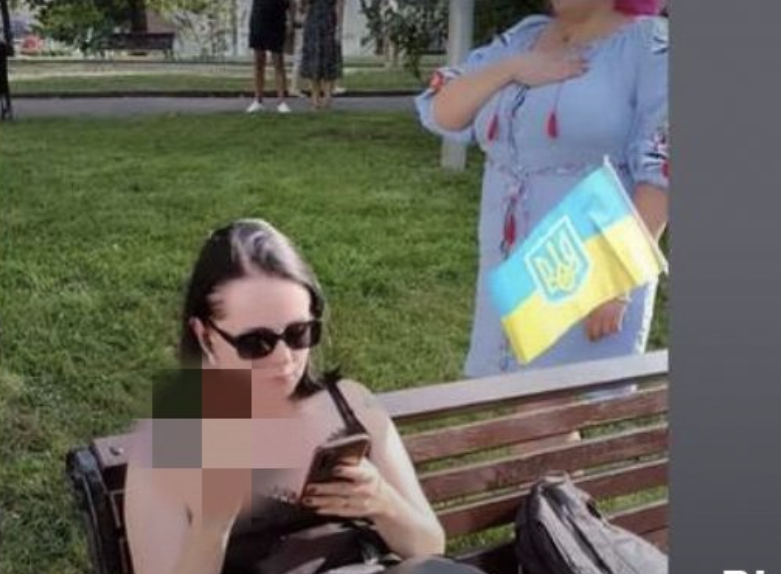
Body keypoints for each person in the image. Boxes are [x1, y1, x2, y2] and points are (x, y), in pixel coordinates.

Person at [124, 219, 481, 574]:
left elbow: (430, 547)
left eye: (299, 333)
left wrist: (384, 503)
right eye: (256, 343)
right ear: (204, 336)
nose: (284, 360)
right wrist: (212, 526)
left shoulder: (351, 403)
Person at [415, 0, 669, 378]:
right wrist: (512, 68)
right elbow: (442, 111)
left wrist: (617, 281)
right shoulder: (522, 37)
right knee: (510, 394)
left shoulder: (652, 46)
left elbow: (663, 172)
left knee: (561, 401)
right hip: (507, 263)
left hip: (588, 267)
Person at [248, 0, 295, 113]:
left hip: (277, 20)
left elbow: (291, 3)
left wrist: (291, 21)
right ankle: (258, 100)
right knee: (259, 61)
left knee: (278, 62)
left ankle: (281, 101)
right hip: (259, 18)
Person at [298, 0, 345, 109]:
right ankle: (315, 97)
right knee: (313, 59)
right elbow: (302, 6)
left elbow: (340, 4)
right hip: (313, 22)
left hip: (329, 22)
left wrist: (339, 27)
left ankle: (327, 97)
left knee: (329, 58)